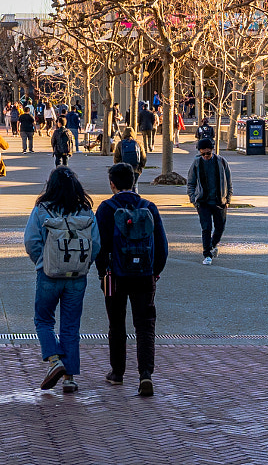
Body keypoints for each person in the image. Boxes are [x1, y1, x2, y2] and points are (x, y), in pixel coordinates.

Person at [23, 167, 99, 393]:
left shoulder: (42, 209)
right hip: (77, 276)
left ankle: (54, 360)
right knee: (70, 325)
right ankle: (69, 378)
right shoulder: (85, 211)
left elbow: (31, 241)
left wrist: (43, 261)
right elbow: (96, 244)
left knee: (44, 320)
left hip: (48, 273)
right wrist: (83, 263)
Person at [95, 161, 167, 396]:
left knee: (116, 324)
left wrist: (102, 272)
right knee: (145, 325)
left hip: (115, 276)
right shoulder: (149, 207)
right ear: (134, 182)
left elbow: (99, 245)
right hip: (145, 275)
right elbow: (162, 246)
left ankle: (117, 372)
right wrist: (155, 272)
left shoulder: (106, 208)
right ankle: (145, 373)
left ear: (112, 184)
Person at [185, 133, 233, 264]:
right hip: (203, 202)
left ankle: (212, 246)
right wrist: (193, 199)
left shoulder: (222, 162)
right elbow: (191, 183)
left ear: (212, 151)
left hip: (219, 201)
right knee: (206, 228)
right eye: (203, 154)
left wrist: (228, 199)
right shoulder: (196, 163)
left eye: (208, 153)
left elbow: (229, 181)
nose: (206, 156)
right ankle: (207, 254)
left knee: (220, 228)